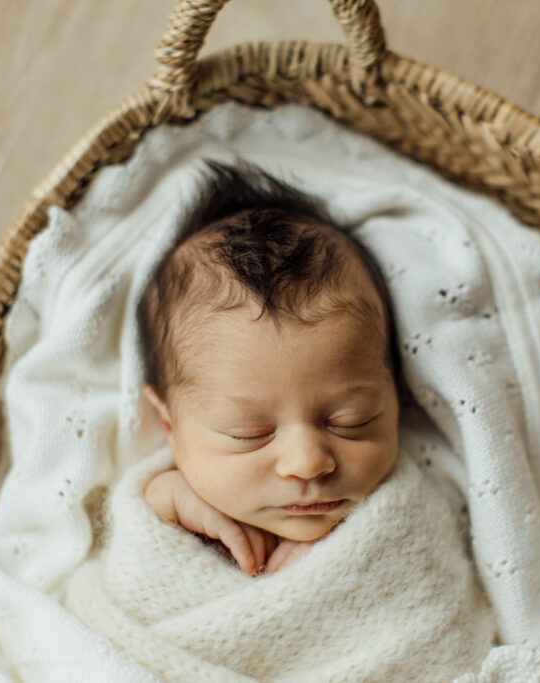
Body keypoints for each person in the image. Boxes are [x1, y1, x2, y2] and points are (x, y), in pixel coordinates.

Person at [137, 159, 402, 576]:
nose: (307, 462)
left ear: (394, 393)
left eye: (352, 420)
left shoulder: (406, 489)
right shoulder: (169, 505)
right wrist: (160, 507)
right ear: (170, 426)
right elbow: (121, 585)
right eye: (250, 434)